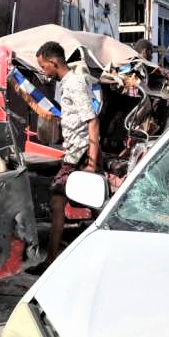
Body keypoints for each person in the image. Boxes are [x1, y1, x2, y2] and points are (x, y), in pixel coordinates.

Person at [35, 41, 101, 267]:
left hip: (80, 153)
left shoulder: (73, 83)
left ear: (53, 62)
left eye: (44, 67)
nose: (44, 71)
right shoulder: (66, 83)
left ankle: (52, 259)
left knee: (59, 201)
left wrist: (91, 163)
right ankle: (52, 258)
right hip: (73, 152)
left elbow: (92, 122)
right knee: (60, 202)